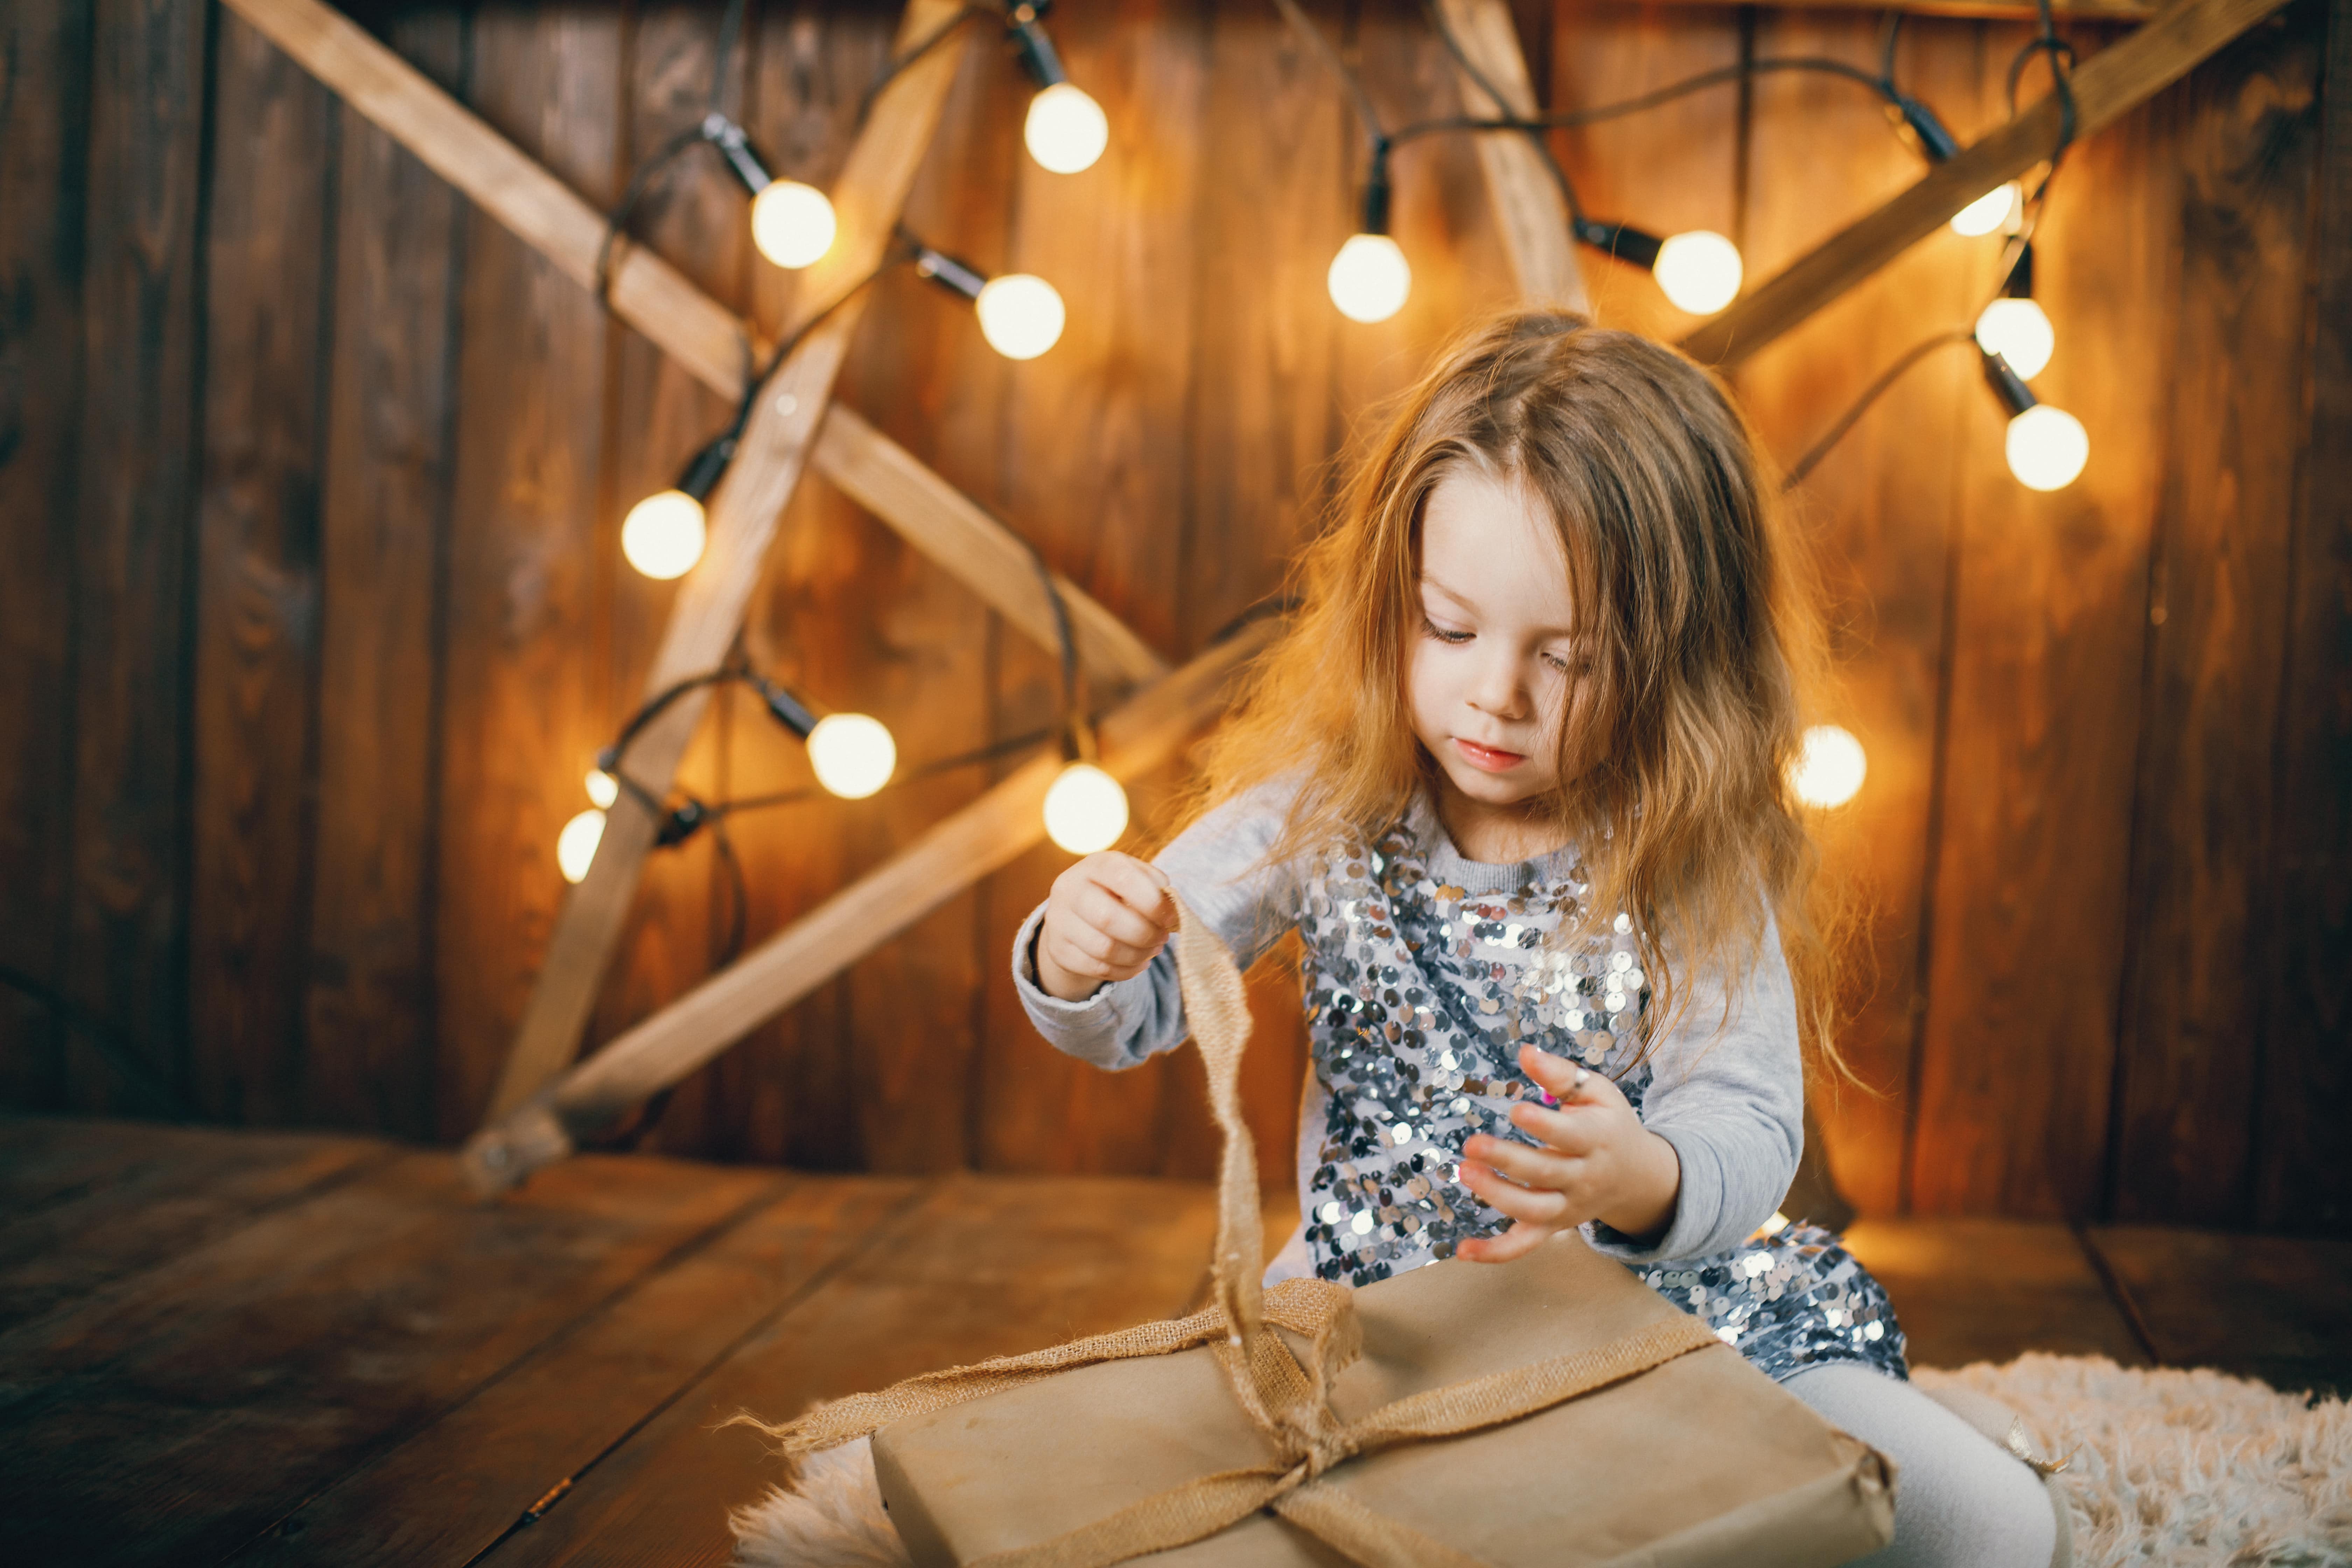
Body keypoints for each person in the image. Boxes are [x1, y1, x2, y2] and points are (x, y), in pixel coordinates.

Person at [1011, 313, 2057, 1567]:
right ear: (1391, 602)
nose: (1495, 697)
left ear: (1678, 661)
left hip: (1658, 1309)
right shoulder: (1321, 807)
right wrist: (1081, 951)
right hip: (1377, 1316)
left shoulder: (1686, 854)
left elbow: (1747, 1119)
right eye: (1449, 630)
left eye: (1569, 658)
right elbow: (1145, 998)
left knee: (1993, 1529)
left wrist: (1643, 1180)